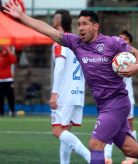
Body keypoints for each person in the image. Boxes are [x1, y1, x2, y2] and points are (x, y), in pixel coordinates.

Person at [3, 0, 138, 164]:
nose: (80, 27)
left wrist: (136, 67)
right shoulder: (75, 43)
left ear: (95, 26)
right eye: (78, 24)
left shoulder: (112, 43)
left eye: (85, 24)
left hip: (117, 102)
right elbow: (48, 29)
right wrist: (21, 16)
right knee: (131, 149)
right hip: (103, 104)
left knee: (95, 145)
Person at [49, 9, 90, 164]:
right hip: (77, 92)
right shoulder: (77, 41)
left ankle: (91, 157)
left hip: (64, 94)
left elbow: (59, 67)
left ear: (56, 22)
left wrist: (54, 93)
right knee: (65, 131)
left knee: (57, 131)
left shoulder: (60, 40)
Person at [104, 31, 137, 164]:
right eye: (120, 38)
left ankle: (132, 156)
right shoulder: (111, 55)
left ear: (129, 43)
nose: (122, 40)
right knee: (108, 125)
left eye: (125, 39)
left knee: (129, 126)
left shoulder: (130, 57)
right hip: (112, 96)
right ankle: (107, 157)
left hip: (127, 96)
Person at [0, 46, 17, 117]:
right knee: (0, 97)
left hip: (8, 79)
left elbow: (14, 61)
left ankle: (12, 111)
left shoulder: (10, 57)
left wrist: (10, 53)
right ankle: (1, 112)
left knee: (10, 96)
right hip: (0, 80)